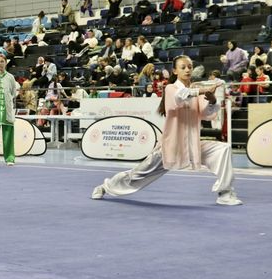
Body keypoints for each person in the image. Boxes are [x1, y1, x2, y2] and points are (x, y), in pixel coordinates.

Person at [91, 55, 243, 206]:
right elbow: (180, 97)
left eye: (190, 67)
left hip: (192, 146)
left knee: (222, 149)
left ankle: (225, 193)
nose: (188, 70)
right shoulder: (171, 89)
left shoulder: (196, 91)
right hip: (170, 147)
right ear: (175, 71)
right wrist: (202, 91)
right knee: (137, 175)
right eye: (183, 67)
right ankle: (105, 187)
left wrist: (212, 100)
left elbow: (207, 114)